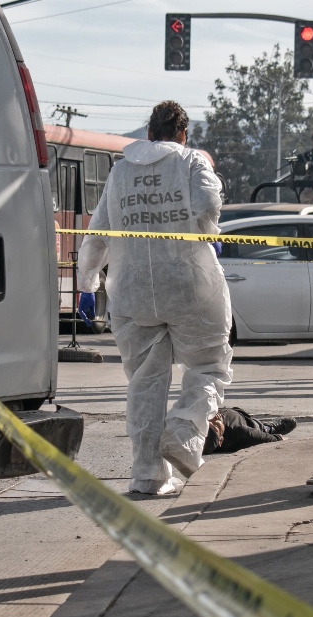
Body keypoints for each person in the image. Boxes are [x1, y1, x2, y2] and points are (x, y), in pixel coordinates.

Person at [77, 101, 230, 495]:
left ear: (149, 133)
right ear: (183, 134)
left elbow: (98, 234)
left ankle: (147, 475)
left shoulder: (121, 172)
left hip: (132, 294)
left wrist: (86, 283)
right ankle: (182, 430)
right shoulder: (192, 162)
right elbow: (210, 205)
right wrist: (206, 234)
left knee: (145, 383)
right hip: (189, 286)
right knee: (208, 366)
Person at [203, 408, 297, 455]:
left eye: (210, 423)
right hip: (248, 425)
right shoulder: (239, 431)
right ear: (220, 440)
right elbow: (277, 440)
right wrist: (277, 438)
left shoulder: (202, 423)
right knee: (257, 428)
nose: (214, 421)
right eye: (216, 426)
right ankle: (268, 429)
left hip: (234, 414)